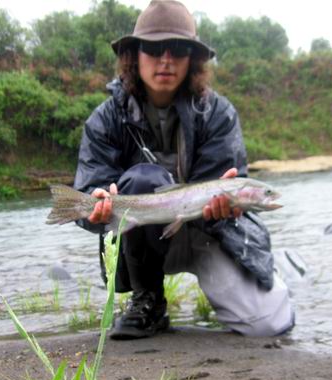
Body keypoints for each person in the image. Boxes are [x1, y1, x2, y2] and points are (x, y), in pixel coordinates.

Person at [74, 0, 294, 339]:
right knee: (143, 178)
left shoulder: (217, 113)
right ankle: (149, 301)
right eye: (154, 48)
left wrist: (222, 211)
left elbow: (226, 185)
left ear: (192, 59)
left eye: (177, 49)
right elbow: (90, 186)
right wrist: (96, 202)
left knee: (268, 324)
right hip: (137, 237)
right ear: (134, 56)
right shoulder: (106, 118)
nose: (166, 59)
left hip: (205, 234)